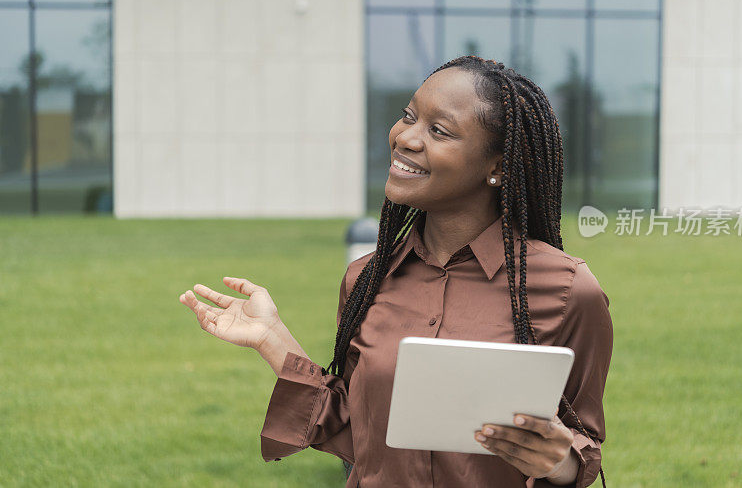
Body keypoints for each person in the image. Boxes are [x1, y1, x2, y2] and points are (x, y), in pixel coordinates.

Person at [179, 55, 613, 488]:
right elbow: (357, 437)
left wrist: (559, 461)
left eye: (438, 130)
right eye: (409, 116)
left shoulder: (567, 291)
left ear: (497, 167)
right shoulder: (367, 279)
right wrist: (273, 342)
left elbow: (583, 448)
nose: (405, 137)